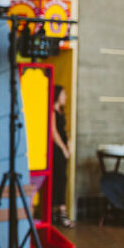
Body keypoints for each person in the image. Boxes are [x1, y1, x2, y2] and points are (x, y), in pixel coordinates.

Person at [51, 84, 74, 228]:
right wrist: (63, 148)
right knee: (59, 179)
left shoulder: (61, 111)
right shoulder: (52, 112)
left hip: (64, 149)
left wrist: (69, 144)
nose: (65, 97)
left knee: (62, 179)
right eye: (63, 94)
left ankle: (59, 212)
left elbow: (64, 130)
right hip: (57, 149)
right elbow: (54, 132)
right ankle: (60, 212)